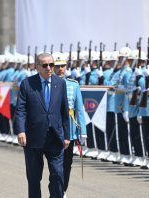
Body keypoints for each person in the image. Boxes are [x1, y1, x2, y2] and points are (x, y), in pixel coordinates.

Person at [13, 53, 70, 198]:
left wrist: (67, 135)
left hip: (55, 137)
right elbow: (20, 109)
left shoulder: (60, 83)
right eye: (45, 65)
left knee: (57, 174)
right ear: (36, 67)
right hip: (33, 137)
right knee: (34, 178)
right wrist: (20, 131)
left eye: (52, 65)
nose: (49, 68)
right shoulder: (27, 83)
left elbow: (64, 111)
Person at [52, 52, 87, 198]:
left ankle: (63, 191)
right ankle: (56, 191)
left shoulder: (73, 85)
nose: (61, 69)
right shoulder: (48, 84)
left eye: (63, 66)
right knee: (54, 166)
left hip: (70, 131)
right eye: (58, 66)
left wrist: (83, 131)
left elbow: (79, 109)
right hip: (53, 129)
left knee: (67, 164)